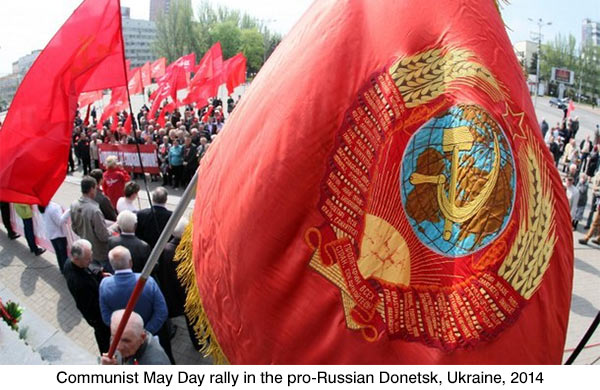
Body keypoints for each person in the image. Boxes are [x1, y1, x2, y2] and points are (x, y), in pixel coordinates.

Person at [99, 246, 173, 363]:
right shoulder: (148, 282)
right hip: (150, 337)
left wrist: (129, 333)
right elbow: (162, 311)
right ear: (131, 262)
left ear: (111, 265)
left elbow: (106, 316)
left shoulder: (104, 284)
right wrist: (141, 333)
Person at [63, 239, 111, 354]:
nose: (91, 260)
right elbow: (91, 307)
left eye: (91, 255)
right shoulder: (78, 283)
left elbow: (89, 268)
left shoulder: (75, 263)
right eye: (88, 258)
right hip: (99, 318)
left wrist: (99, 274)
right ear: (76, 259)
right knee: (105, 340)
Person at [70, 176, 112, 272]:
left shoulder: (74, 205)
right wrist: (111, 230)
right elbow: (103, 236)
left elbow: (74, 227)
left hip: (86, 250)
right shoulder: (94, 210)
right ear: (92, 188)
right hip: (100, 252)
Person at [100, 310, 170, 365]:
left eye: (126, 341)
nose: (118, 347)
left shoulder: (156, 364)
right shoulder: (127, 339)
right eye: (115, 338)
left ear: (142, 337)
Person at [39, 202, 70, 273]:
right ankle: (66, 271)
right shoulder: (52, 208)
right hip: (59, 235)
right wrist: (68, 211)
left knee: (59, 254)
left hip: (52, 235)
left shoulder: (41, 207)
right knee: (63, 255)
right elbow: (60, 222)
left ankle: (62, 269)